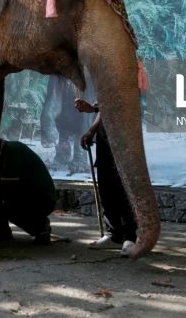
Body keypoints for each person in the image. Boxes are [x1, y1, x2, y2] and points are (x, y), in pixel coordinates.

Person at [75, 98, 137, 257]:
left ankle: (129, 236)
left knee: (122, 186)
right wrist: (92, 129)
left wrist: (93, 108)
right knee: (106, 185)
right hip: (105, 134)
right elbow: (104, 107)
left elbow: (119, 101)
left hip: (123, 133)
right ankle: (114, 234)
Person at [0, 136, 56, 245]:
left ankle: (41, 228)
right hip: (26, 194)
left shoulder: (13, 150)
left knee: (2, 199)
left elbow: (7, 185)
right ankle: (1, 229)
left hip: (43, 199)